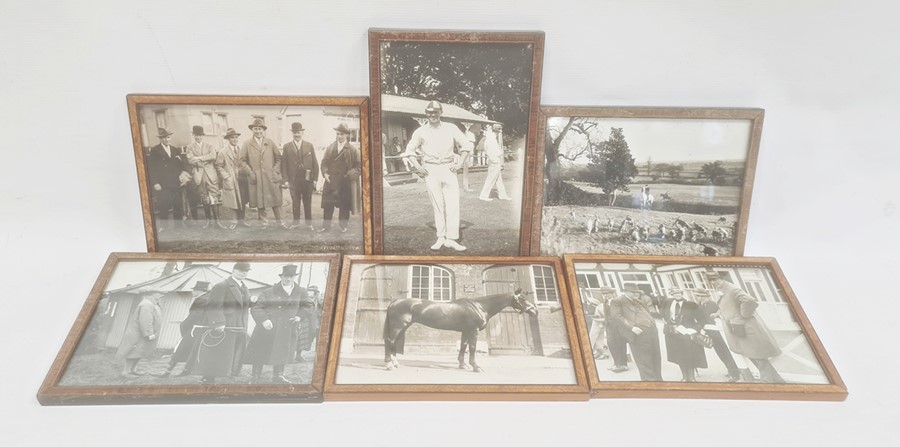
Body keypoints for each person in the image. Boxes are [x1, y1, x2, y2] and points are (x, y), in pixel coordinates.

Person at [403, 100, 473, 251]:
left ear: (441, 113)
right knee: (438, 205)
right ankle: (441, 237)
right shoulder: (420, 131)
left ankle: (452, 239)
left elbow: (466, 145)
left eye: (435, 112)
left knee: (453, 204)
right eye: (429, 112)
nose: (432, 115)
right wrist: (418, 167)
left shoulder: (451, 128)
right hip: (431, 170)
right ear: (426, 114)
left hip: (448, 169)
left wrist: (460, 163)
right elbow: (409, 151)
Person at [707, 271, 786, 383]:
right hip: (737, 327)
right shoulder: (720, 290)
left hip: (746, 327)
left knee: (756, 355)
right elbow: (728, 305)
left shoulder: (731, 289)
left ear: (721, 278)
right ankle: (777, 380)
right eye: (711, 281)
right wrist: (717, 313)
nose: (713, 282)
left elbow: (749, 300)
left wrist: (742, 316)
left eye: (715, 279)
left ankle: (767, 381)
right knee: (752, 354)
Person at [244, 264, 313, 384]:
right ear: (281, 277)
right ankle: (255, 376)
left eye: (291, 276)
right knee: (260, 352)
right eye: (286, 276)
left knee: (282, 352)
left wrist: (299, 316)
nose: (288, 279)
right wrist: (264, 319)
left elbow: (309, 306)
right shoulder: (269, 291)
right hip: (267, 327)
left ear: (294, 277)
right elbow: (257, 307)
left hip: (288, 327)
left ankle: (278, 376)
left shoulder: (301, 292)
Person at [192, 262, 252, 385]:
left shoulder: (245, 288)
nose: (243, 273)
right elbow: (214, 306)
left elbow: (242, 306)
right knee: (216, 352)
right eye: (240, 270)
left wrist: (252, 303)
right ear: (233, 271)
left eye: (246, 271)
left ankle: (226, 373)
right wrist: (219, 322)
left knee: (230, 354)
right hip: (225, 325)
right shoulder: (222, 286)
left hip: (238, 326)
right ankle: (207, 378)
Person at [156, 281, 210, 378]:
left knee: (179, 349)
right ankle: (186, 370)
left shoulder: (201, 300)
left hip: (194, 329)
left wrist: (183, 325)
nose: (193, 292)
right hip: (202, 329)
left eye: (194, 290)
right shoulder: (208, 298)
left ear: (200, 291)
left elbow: (194, 315)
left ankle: (167, 372)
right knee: (192, 351)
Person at [609, 284, 662, 381]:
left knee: (656, 357)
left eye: (637, 292)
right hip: (638, 334)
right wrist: (632, 327)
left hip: (651, 332)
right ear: (626, 292)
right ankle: (650, 384)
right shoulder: (617, 301)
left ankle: (659, 381)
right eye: (633, 292)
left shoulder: (639, 301)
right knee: (644, 360)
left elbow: (647, 313)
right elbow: (617, 317)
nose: (636, 294)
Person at [240, 118, 286, 229]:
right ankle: (264, 223)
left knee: (276, 199)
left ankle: (280, 222)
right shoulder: (247, 144)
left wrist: (275, 170)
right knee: (260, 201)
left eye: (260, 129)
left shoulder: (269, 142)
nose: (258, 131)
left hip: (271, 177)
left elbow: (279, 158)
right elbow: (241, 160)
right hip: (257, 178)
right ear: (252, 130)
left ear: (263, 130)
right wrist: (250, 173)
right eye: (255, 129)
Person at [318, 123, 360, 233]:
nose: (339, 136)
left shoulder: (352, 150)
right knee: (328, 205)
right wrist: (325, 173)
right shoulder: (330, 148)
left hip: (344, 181)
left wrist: (351, 173)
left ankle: (343, 227)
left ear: (346, 135)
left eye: (341, 134)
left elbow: (359, 166)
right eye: (337, 134)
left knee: (344, 205)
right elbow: (324, 163)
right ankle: (325, 226)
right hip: (330, 180)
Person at [694, 288, 741, 382]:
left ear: (704, 296)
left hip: (719, 331)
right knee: (720, 353)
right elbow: (701, 319)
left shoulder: (712, 305)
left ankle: (735, 373)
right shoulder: (700, 306)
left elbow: (721, 315)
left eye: (699, 296)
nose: (697, 297)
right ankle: (730, 370)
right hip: (710, 332)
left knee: (726, 352)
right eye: (697, 296)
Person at [660, 289, 707, 382]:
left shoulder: (691, 304)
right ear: (672, 294)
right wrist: (667, 322)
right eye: (675, 293)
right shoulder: (668, 302)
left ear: (682, 294)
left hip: (687, 333)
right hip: (673, 334)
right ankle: (684, 377)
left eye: (679, 293)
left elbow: (702, 318)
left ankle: (692, 377)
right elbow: (662, 313)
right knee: (679, 355)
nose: (677, 295)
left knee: (689, 355)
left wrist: (695, 329)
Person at [281, 122, 319, 231]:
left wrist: (315, 179)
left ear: (302, 132)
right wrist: (286, 180)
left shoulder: (309, 145)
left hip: (307, 179)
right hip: (294, 180)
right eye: (294, 132)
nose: (297, 135)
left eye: (298, 132)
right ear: (292, 133)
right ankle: (296, 223)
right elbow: (284, 165)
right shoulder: (287, 147)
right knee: (295, 202)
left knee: (308, 201)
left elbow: (315, 164)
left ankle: (308, 224)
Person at [146, 128, 187, 229]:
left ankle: (178, 227)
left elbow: (181, 166)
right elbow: (152, 168)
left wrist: (182, 176)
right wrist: (155, 182)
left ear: (170, 138)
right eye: (163, 138)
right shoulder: (155, 150)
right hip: (162, 183)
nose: (166, 140)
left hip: (175, 182)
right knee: (163, 205)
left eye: (168, 137)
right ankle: (164, 228)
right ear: (160, 139)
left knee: (177, 204)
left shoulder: (174, 149)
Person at [116, 291, 163, 377]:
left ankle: (133, 370)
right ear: (152, 294)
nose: (161, 296)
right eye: (159, 293)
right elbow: (145, 320)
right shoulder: (147, 304)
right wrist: (149, 333)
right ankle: (126, 372)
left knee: (140, 352)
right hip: (140, 334)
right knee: (133, 352)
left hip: (144, 334)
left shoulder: (152, 304)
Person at [185, 125, 223, 228]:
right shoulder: (189, 147)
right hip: (199, 175)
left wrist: (199, 158)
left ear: (203, 136)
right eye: (196, 135)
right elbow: (190, 160)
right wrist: (205, 159)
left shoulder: (209, 145)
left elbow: (213, 156)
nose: (198, 137)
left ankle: (218, 221)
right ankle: (208, 221)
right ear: (193, 135)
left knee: (214, 197)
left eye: (200, 135)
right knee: (204, 197)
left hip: (211, 174)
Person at [216, 128, 251, 229]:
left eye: (236, 137)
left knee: (243, 200)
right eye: (232, 138)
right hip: (231, 179)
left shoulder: (242, 150)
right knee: (233, 200)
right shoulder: (223, 152)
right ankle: (234, 221)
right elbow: (218, 165)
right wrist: (226, 176)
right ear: (228, 139)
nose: (235, 139)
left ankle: (242, 221)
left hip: (242, 178)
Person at [478, 123, 512, 201]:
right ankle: (483, 196)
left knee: (499, 180)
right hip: (494, 161)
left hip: (495, 160)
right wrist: (494, 160)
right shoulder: (491, 139)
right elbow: (490, 151)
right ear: (498, 131)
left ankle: (503, 195)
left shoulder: (491, 138)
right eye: (499, 130)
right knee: (490, 179)